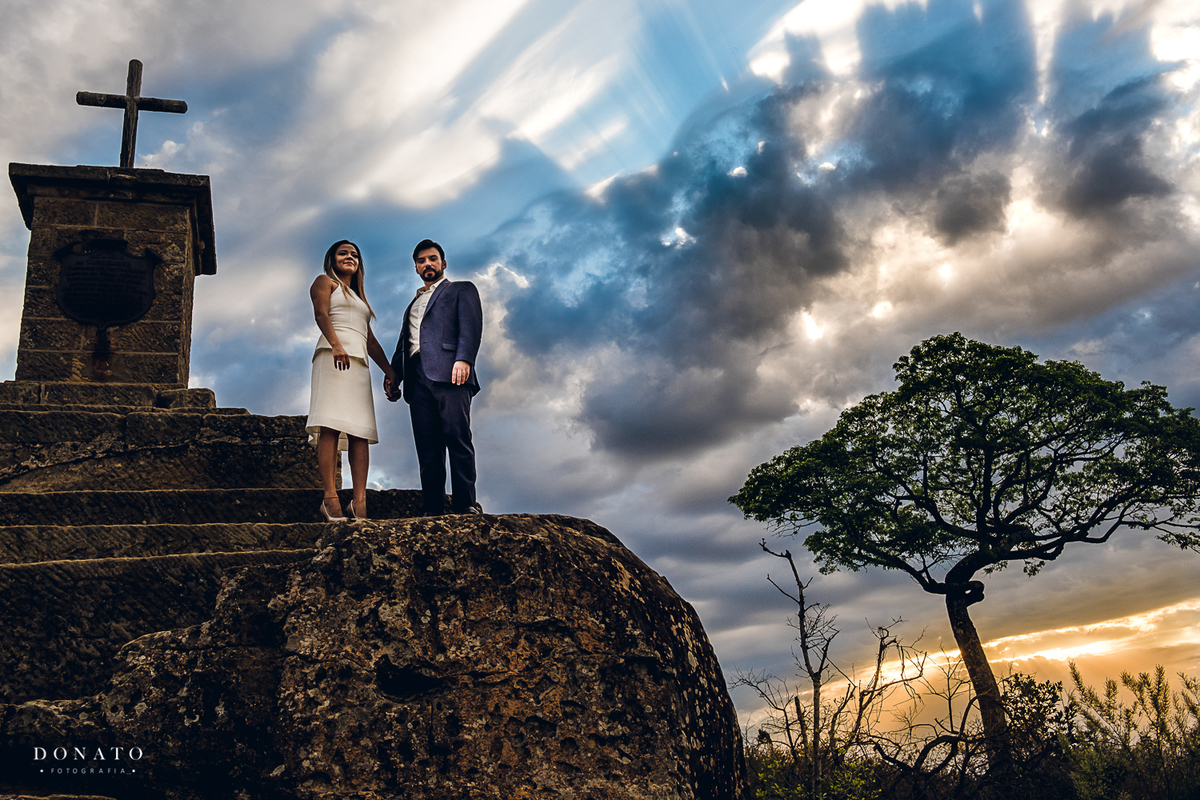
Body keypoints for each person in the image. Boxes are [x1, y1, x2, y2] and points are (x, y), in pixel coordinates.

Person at [385, 239, 482, 515]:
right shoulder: (412, 304)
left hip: (452, 373)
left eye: (432, 259)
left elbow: (471, 327)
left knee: (458, 439)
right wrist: (394, 376)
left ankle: (465, 504)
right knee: (427, 448)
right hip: (417, 381)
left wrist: (464, 359)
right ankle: (433, 508)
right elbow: (405, 344)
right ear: (416, 268)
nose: (427, 264)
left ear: (443, 263)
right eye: (421, 261)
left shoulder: (461, 290)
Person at [307, 239, 397, 521]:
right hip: (333, 357)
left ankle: (359, 502)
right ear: (331, 258)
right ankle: (330, 498)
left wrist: (390, 371)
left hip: (358, 363)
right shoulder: (325, 282)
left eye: (355, 254)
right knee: (331, 424)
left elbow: (369, 339)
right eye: (343, 253)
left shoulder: (358, 298)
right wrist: (335, 344)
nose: (350, 257)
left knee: (360, 430)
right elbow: (321, 313)